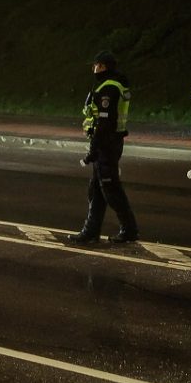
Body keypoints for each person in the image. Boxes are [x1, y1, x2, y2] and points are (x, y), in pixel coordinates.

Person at [68, 50, 140, 244]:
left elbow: (105, 123)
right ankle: (91, 231)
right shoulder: (116, 84)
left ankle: (129, 229)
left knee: (110, 189)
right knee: (97, 189)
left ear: (103, 66)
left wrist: (93, 149)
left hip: (106, 144)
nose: (94, 68)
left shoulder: (109, 88)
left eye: (96, 65)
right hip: (111, 142)